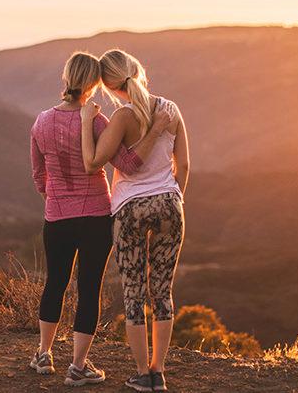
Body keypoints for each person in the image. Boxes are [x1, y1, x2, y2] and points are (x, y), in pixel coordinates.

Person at [29, 51, 171, 387]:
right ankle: (78, 366)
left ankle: (43, 354)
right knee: (89, 287)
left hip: (58, 215)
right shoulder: (97, 122)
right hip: (96, 215)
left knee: (55, 282)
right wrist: (155, 134)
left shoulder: (41, 122)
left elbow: (38, 173)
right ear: (94, 84)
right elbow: (128, 164)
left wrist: (54, 196)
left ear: (66, 79)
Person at [80, 49, 189, 392]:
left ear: (110, 87)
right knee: (162, 291)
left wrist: (86, 123)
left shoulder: (123, 118)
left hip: (130, 210)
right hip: (170, 205)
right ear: (139, 70)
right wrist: (175, 198)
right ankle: (159, 370)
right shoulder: (170, 109)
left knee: (134, 293)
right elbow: (183, 165)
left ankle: (143, 373)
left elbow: (98, 161)